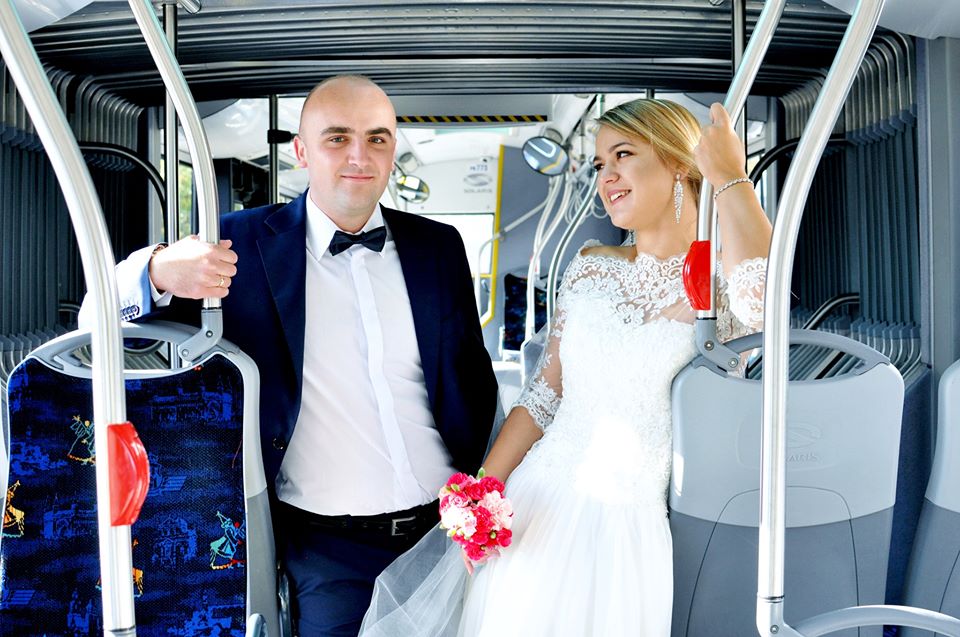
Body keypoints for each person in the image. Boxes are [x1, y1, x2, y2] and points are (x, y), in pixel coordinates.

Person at [82, 75, 498, 636]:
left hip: (449, 531)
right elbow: (94, 318)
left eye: (377, 138)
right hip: (328, 550)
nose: (360, 156)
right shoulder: (235, 245)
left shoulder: (439, 245)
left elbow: (471, 378)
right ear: (301, 152)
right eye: (337, 138)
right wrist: (156, 269)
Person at [359, 99, 770, 636]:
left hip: (627, 529)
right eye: (600, 164)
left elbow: (766, 302)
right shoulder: (590, 267)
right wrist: (482, 494)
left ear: (678, 162)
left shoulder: (718, 285)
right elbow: (542, 397)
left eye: (623, 155)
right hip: (535, 509)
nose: (607, 176)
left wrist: (730, 175)